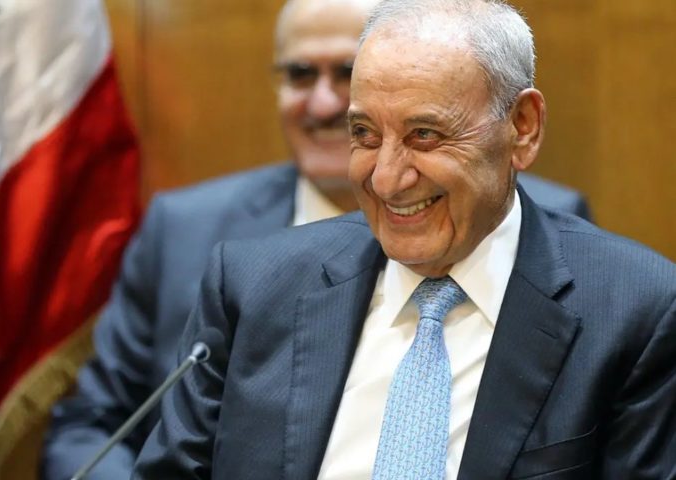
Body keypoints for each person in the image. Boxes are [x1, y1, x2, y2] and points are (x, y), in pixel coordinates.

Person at [41, 0, 594, 478]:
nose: (324, 104)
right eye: (301, 74)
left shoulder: (547, 227)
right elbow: (92, 424)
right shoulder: (187, 232)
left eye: (347, 73)